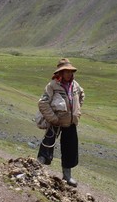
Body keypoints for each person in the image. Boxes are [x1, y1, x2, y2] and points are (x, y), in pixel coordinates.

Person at [36, 58, 85, 186]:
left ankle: (67, 176)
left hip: (71, 122)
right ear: (60, 73)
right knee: (48, 144)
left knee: (70, 148)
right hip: (56, 122)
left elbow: (81, 95)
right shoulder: (52, 86)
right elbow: (43, 102)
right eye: (66, 71)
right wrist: (53, 118)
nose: (69, 74)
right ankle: (37, 169)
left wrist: (76, 111)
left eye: (70, 71)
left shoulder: (75, 85)